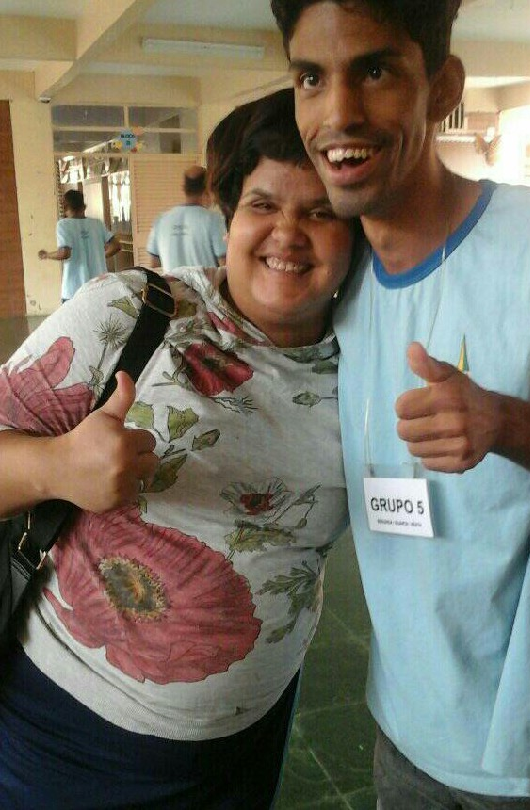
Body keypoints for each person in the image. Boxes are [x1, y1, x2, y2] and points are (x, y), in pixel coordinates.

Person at [270, 0, 530, 807]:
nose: (339, 113)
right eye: (311, 78)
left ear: (443, 87)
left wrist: (513, 426)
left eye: (375, 70)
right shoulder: (336, 274)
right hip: (403, 727)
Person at [0, 88, 361, 809]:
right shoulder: (130, 312)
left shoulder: (372, 360)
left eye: (321, 212)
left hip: (246, 744)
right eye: (263, 204)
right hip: (63, 738)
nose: (288, 233)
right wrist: (55, 467)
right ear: (230, 217)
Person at [38, 189, 121, 302]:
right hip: (99, 286)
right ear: (83, 206)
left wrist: (46, 255)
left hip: (74, 289)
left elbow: (64, 253)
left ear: (65, 207)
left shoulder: (63, 225)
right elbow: (116, 246)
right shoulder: (97, 224)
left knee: (73, 314)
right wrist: (99, 257)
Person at [146, 165, 228, 271]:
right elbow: (224, 266)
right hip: (206, 282)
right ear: (208, 188)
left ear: (184, 188)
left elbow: (154, 265)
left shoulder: (161, 220)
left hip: (172, 282)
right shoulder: (214, 220)